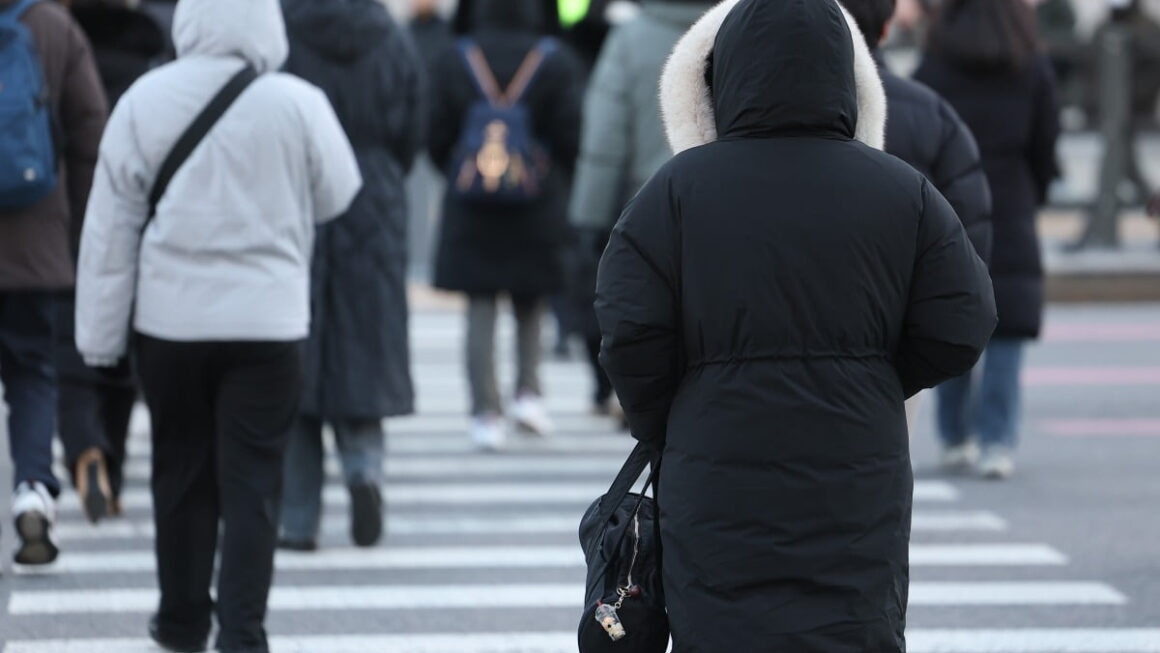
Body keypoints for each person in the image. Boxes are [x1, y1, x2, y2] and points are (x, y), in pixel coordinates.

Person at [596, 0, 996, 650]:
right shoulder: (903, 192)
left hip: (714, 467)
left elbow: (629, 329)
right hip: (857, 472)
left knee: (722, 630)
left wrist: (669, 414)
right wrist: (876, 377)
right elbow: (962, 320)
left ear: (724, 77)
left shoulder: (673, 194)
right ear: (846, 75)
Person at [74, 0, 361, 650]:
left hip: (170, 324)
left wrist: (98, 337)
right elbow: (339, 192)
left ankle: (180, 624)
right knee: (255, 482)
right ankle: (242, 633)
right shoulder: (297, 102)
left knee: (180, 472)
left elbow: (109, 231)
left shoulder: (145, 98)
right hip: (268, 325)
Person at [278, 0, 424, 552]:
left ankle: (298, 520)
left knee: (298, 353)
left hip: (301, 191)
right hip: (374, 189)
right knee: (365, 343)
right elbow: (413, 126)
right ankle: (364, 472)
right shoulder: (390, 35)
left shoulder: (285, 31)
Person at [915, 0, 1061, 479]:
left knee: (952, 314)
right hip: (1012, 202)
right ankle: (996, 441)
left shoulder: (935, 65)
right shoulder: (1031, 65)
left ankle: (954, 435)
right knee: (1008, 330)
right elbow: (1046, 145)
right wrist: (1034, 193)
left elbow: (919, 135)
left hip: (951, 202)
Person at [429, 0, 582, 450]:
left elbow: (434, 133)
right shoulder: (554, 59)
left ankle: (485, 413)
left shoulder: (455, 57)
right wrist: (547, 177)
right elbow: (572, 134)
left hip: (471, 204)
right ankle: (528, 394)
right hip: (536, 202)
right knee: (530, 299)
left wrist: (463, 173)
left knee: (480, 304)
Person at [568, 0, 713, 417]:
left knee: (648, 305)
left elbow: (605, 134)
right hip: (722, 194)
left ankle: (636, 397)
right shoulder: (732, 30)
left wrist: (590, 213)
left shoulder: (630, 38)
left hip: (644, 200)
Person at [0, 0, 106, 565]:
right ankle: (33, 488)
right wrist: (79, 230)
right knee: (32, 372)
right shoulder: (53, 25)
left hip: (35, 244)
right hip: (36, 239)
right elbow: (90, 132)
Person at [52, 0, 166, 525]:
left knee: (70, 345)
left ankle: (85, 449)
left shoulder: (54, 38)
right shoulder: (150, 53)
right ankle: (113, 471)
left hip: (63, 213)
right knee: (119, 345)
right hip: (130, 215)